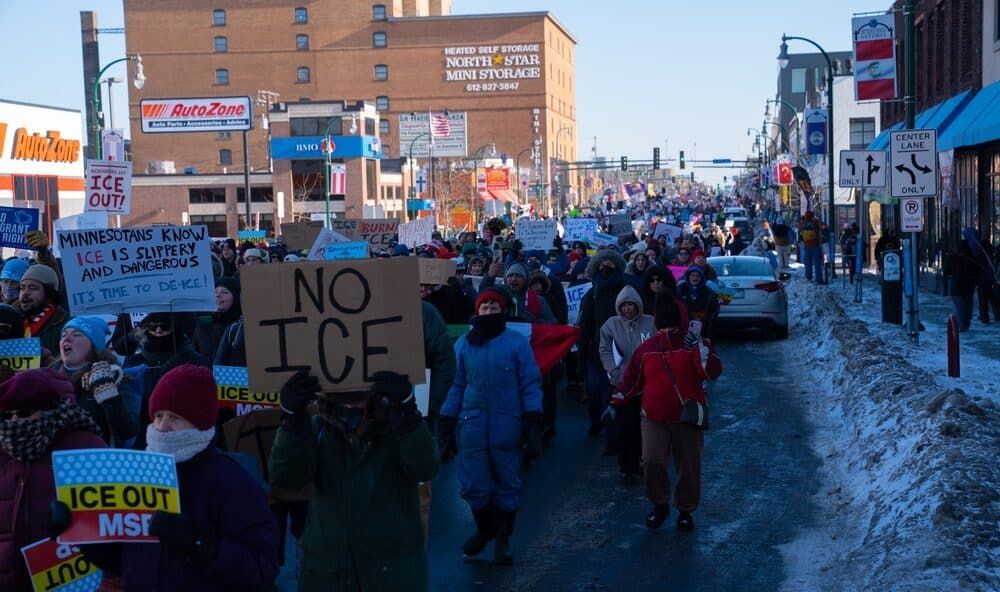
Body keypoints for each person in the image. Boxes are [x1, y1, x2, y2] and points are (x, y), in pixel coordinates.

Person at [51, 364, 281, 590]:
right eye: (158, 416)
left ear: (200, 422)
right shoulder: (136, 475)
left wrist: (199, 546)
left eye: (174, 417)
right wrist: (80, 530)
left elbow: (263, 569)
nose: (162, 427)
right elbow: (121, 561)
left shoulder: (232, 482)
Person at [269, 368, 439, 589]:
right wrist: (292, 421)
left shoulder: (396, 429)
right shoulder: (317, 431)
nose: (352, 406)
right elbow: (286, 478)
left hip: (391, 576)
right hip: (328, 575)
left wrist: (406, 413)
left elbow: (426, 468)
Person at [437, 289, 543, 565]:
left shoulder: (516, 344)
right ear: (477, 312)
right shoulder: (464, 345)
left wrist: (533, 419)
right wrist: (446, 420)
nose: (489, 312)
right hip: (471, 425)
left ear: (503, 312)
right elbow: (457, 385)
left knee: (507, 482)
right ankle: (486, 529)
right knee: (473, 483)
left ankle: (503, 538)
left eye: (495, 308)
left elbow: (530, 383)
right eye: (485, 308)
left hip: (507, 424)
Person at [608, 297, 722, 531]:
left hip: (687, 416)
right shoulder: (648, 349)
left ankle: (685, 509)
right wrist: (616, 401)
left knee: (689, 465)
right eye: (664, 324)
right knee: (652, 461)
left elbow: (711, 372)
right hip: (653, 416)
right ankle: (660, 503)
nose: (667, 329)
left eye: (672, 324)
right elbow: (631, 380)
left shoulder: (696, 344)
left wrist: (698, 347)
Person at [0, 369, 106, 590]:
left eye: (24, 411)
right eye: (7, 415)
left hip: (69, 580)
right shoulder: (4, 450)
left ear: (49, 410)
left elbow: (112, 523)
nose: (15, 421)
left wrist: (76, 523)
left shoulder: (86, 447)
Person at [123, 313, 210, 449]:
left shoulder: (194, 361)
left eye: (164, 326)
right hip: (142, 439)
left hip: (185, 437)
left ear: (175, 329)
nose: (158, 330)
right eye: (153, 327)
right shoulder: (133, 362)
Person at [50, 316, 138, 446]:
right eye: (64, 335)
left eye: (77, 335)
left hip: (94, 458)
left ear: (94, 346)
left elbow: (126, 432)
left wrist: (110, 398)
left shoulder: (115, 378)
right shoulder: (46, 378)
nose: (67, 339)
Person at [598, 285, 655, 484]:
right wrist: (613, 371)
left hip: (647, 385)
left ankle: (643, 462)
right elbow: (604, 350)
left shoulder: (651, 323)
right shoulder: (610, 325)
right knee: (625, 428)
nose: (628, 309)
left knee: (644, 428)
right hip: (622, 385)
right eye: (624, 305)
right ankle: (626, 467)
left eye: (631, 305)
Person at [577, 249, 628, 442]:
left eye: (610, 263)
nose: (606, 267)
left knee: (610, 394)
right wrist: (582, 358)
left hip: (619, 351)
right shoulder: (591, 294)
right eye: (602, 263)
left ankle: (612, 436)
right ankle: (596, 421)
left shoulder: (626, 291)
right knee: (593, 393)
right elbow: (585, 326)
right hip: (595, 352)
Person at [19, 263, 71, 357]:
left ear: (49, 294)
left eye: (33, 288)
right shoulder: (11, 319)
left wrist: (49, 360)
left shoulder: (67, 324)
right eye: (22, 288)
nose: (25, 293)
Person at [481, 262, 557, 324]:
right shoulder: (498, 295)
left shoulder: (539, 300)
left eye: (518, 276)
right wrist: (489, 277)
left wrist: (532, 321)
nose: (514, 279)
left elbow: (552, 323)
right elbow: (482, 296)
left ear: (525, 279)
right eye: (510, 276)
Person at [194, 276, 242, 360]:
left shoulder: (242, 326)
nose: (218, 295)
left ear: (236, 296)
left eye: (224, 292)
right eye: (215, 291)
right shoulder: (204, 325)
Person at [678, 266, 720, 340]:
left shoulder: (709, 292)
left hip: (702, 330)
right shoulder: (680, 289)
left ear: (701, 278)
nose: (695, 278)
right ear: (688, 276)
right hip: (683, 329)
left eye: (697, 275)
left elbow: (714, 310)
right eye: (692, 275)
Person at [945, 242, 978, 332]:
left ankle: (962, 326)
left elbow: (947, 271)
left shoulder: (953, 258)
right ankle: (966, 324)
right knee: (967, 308)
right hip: (969, 287)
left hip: (956, 288)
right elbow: (976, 272)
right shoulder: (972, 258)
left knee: (960, 308)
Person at [799, 211, 824, 283]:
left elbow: (800, 229)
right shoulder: (815, 222)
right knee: (817, 263)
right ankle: (819, 278)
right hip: (815, 245)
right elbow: (818, 231)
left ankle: (808, 277)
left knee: (808, 262)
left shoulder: (804, 222)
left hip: (807, 245)